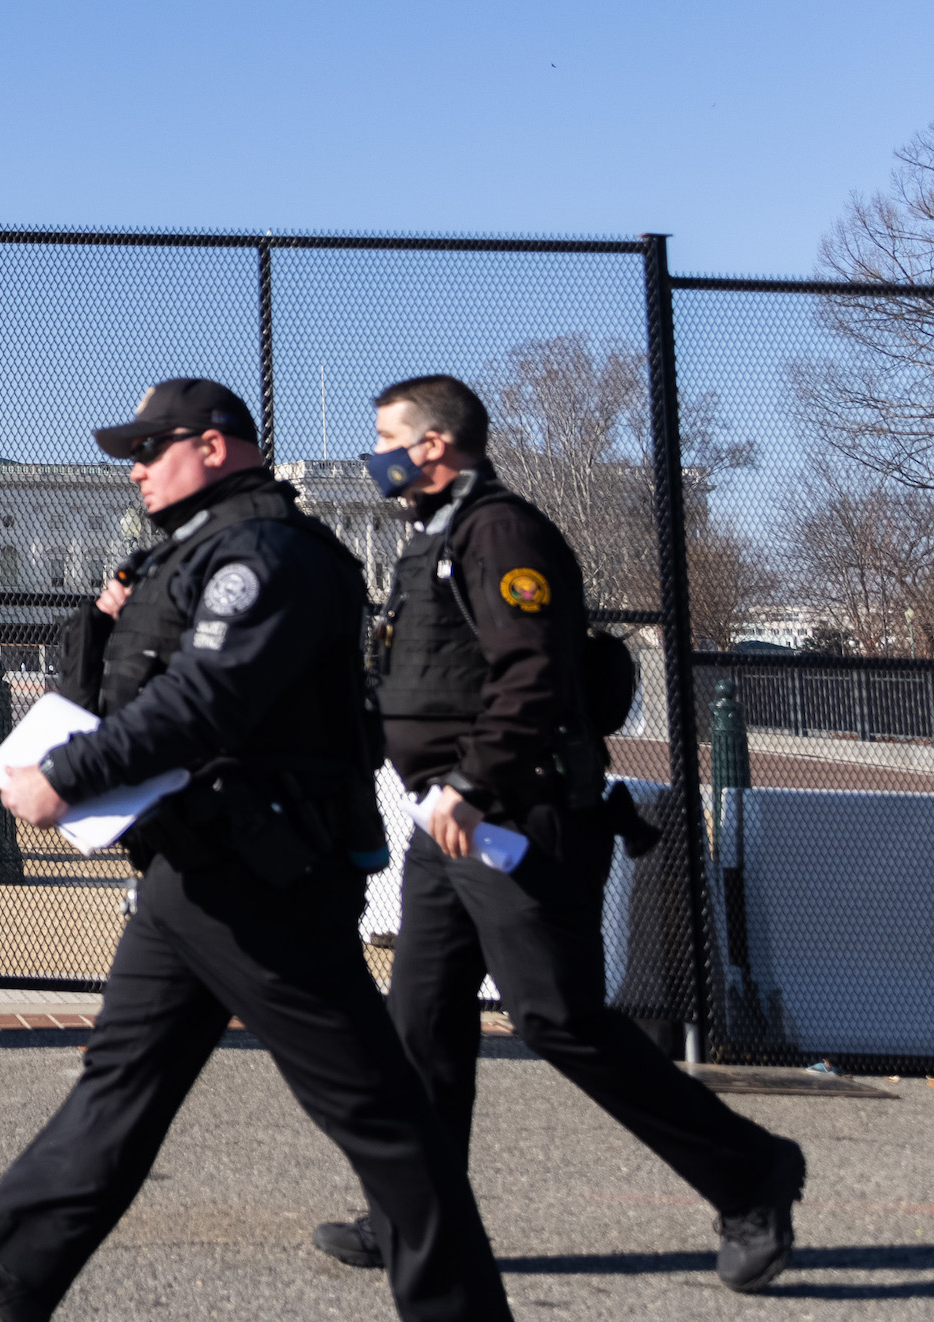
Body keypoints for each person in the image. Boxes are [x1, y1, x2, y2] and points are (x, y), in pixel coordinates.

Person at [0, 379, 512, 1322]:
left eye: (150, 447)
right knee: (123, 1075)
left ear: (215, 447)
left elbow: (204, 703)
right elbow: (120, 689)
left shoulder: (266, 553)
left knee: (376, 1111)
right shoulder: (188, 556)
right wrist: (99, 622)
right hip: (194, 866)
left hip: (263, 876)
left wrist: (67, 779)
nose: (133, 468)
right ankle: (16, 1273)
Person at [313, 374, 804, 1293]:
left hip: (511, 816)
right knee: (419, 1022)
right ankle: (411, 1216)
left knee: (557, 1018)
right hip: (446, 824)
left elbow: (531, 675)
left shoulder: (500, 532)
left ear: (433, 444)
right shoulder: (432, 539)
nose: (373, 452)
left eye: (386, 436)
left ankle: (749, 1173)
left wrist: (469, 781)